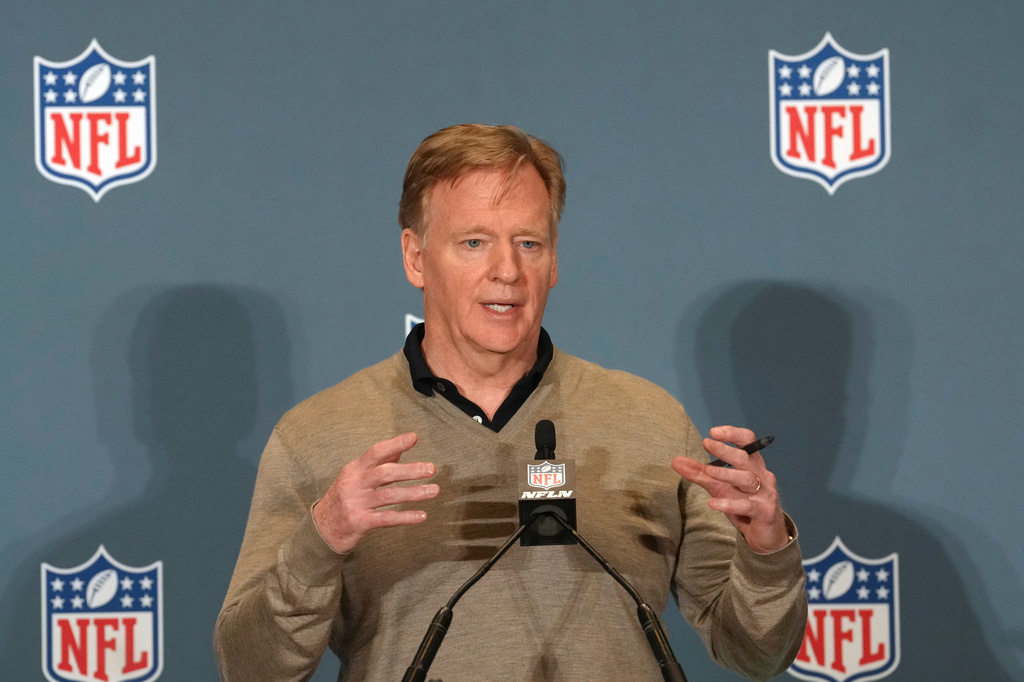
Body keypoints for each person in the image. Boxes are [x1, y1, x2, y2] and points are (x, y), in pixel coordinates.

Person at [215, 124, 807, 681]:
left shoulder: (650, 423)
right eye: (474, 242)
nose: (507, 271)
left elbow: (759, 653)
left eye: (529, 243)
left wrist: (765, 547)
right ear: (415, 257)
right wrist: (320, 540)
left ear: (554, 262)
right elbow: (249, 669)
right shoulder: (319, 436)